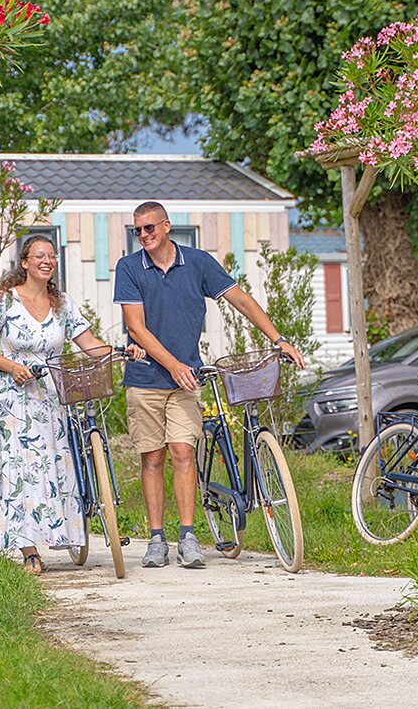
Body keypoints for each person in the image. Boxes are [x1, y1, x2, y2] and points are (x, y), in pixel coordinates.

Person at [115, 201, 304, 569]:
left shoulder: (197, 262)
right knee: (152, 459)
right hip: (146, 380)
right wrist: (173, 366)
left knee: (184, 454)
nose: (143, 236)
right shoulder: (129, 267)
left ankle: (188, 537)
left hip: (187, 379)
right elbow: (136, 327)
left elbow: (242, 301)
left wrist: (278, 339)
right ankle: (157, 540)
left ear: (166, 226)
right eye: (136, 231)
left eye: (149, 228)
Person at [0, 234, 143, 574]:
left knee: (53, 467)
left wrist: (121, 352)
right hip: (12, 399)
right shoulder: (4, 301)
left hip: (52, 396)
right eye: (39, 256)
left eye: (51, 256)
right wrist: (13, 366)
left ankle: (60, 534)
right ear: (24, 262)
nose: (47, 261)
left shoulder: (62, 303)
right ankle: (28, 550)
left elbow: (88, 343)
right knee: (18, 469)